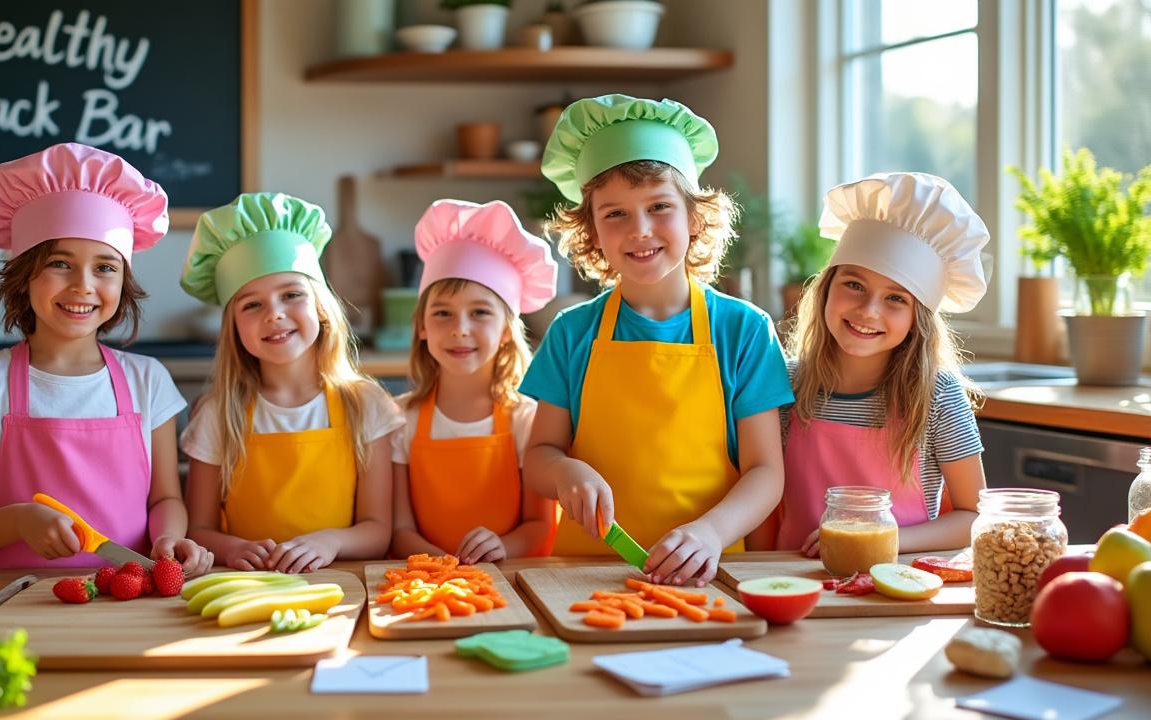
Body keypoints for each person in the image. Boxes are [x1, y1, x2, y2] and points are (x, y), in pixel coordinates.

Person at [522, 94, 793, 585]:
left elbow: (766, 472)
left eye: (660, 206)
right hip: (586, 575)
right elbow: (539, 457)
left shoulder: (744, 330)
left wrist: (710, 533)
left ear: (694, 216)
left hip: (708, 571)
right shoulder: (571, 332)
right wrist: (564, 473)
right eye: (615, 214)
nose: (640, 230)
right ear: (591, 232)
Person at [0, 142, 212, 573]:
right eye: (60, 263)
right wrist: (17, 521)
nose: (83, 285)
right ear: (23, 276)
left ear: (123, 281)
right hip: (14, 602)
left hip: (129, 599)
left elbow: (165, 498)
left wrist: (170, 537)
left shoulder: (148, 380)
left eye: (105, 267)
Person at [759, 171, 989, 555]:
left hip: (895, 583)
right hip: (796, 579)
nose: (868, 311)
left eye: (896, 299)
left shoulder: (938, 397)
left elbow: (975, 515)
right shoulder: (785, 384)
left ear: (920, 318)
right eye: (854, 285)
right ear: (826, 288)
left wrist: (880, 540)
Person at [179, 192, 402, 573]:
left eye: (292, 295)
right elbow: (199, 529)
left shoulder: (365, 404)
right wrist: (233, 549)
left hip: (339, 586)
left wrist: (329, 541)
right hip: (250, 585)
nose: (275, 314)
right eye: (252, 304)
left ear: (320, 305)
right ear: (233, 327)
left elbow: (378, 531)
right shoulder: (219, 413)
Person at [390, 199, 559, 563]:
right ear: (421, 326)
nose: (459, 329)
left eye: (480, 312)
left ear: (505, 331)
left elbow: (539, 527)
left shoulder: (526, 420)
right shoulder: (401, 419)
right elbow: (400, 530)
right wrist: (441, 565)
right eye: (442, 314)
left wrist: (503, 547)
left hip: (510, 581)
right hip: (428, 579)